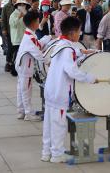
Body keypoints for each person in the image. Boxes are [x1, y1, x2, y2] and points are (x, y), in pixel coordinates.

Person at [41, 17, 98, 163]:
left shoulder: (61, 44)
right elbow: (71, 71)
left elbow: (72, 54)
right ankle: (57, 155)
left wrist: (84, 53)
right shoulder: (67, 49)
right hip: (59, 93)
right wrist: (89, 78)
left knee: (48, 123)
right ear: (73, 33)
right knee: (59, 125)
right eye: (79, 31)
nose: (80, 34)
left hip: (50, 90)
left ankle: (46, 152)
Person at [15, 11, 52, 122]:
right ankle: (28, 113)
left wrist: (48, 37)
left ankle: (21, 111)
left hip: (23, 66)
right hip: (25, 67)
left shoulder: (30, 34)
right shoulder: (29, 37)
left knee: (21, 89)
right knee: (26, 89)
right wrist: (49, 62)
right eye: (37, 21)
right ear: (33, 23)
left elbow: (38, 45)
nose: (39, 23)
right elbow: (38, 53)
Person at [9, 0, 30, 76]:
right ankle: (13, 70)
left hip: (24, 37)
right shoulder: (13, 14)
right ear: (17, 5)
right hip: (16, 38)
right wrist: (19, 17)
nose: (22, 6)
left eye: (23, 5)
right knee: (16, 55)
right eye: (20, 4)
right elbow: (13, 24)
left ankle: (21, 69)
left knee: (23, 55)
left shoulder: (26, 14)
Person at [2, 0, 21, 72]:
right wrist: (4, 29)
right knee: (10, 48)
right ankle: (8, 63)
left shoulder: (21, 6)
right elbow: (3, 19)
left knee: (18, 48)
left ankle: (15, 63)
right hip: (10, 31)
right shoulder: (6, 6)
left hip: (19, 31)